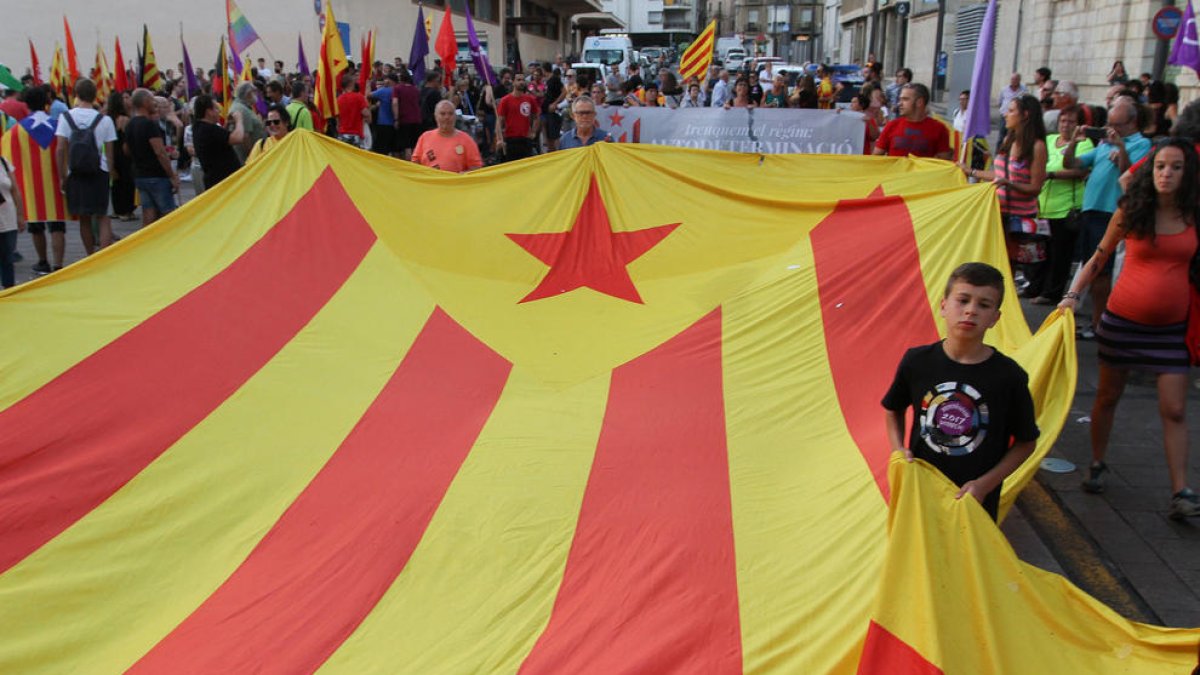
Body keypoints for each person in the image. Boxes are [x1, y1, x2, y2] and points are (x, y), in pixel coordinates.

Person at [1058, 138, 1200, 519]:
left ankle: (1181, 491)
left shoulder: (1193, 215)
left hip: (1172, 331)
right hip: (1123, 324)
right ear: (1149, 171)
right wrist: (1072, 295)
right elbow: (1099, 257)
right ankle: (1097, 463)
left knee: (1174, 408)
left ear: (1188, 174)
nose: (1166, 174)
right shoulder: (1130, 211)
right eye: (1160, 166)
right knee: (1108, 397)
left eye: (1176, 167)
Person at [883, 262, 1040, 522]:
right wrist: (899, 449)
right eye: (963, 300)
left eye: (984, 305)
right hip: (921, 493)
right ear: (944, 306)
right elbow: (893, 409)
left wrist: (985, 485)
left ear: (995, 318)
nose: (970, 311)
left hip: (973, 502)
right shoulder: (917, 362)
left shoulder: (1009, 377)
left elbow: (1026, 442)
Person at [1062, 99, 1152, 339]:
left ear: (1132, 122)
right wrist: (1074, 141)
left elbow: (1131, 176)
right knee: (1090, 266)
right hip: (1091, 211)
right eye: (1108, 124)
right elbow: (1071, 163)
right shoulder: (1103, 144)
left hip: (1111, 213)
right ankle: (1096, 322)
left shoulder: (1142, 144)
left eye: (1116, 125)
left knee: (1102, 272)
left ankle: (1099, 324)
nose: (1111, 129)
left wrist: (1121, 149)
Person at [961, 94, 1047, 276]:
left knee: (1010, 266)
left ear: (1025, 115)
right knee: (993, 263)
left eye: (1011, 110)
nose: (1005, 114)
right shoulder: (1009, 140)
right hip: (997, 213)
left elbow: (1035, 187)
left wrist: (1009, 184)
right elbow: (999, 175)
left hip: (1019, 220)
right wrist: (971, 172)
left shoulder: (1037, 147)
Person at [1029, 104, 1092, 305]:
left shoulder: (1085, 144)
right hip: (1043, 205)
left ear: (1079, 125)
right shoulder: (1048, 140)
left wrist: (1050, 174)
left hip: (1066, 208)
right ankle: (1034, 287)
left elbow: (1081, 171)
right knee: (1039, 251)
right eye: (1063, 121)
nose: (1065, 125)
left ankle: (1051, 293)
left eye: (1071, 122)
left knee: (1060, 254)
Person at [55, 78, 117, 252]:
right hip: (100, 170)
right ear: (95, 95)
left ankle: (90, 254)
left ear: (76, 94)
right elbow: (110, 152)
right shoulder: (105, 120)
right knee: (103, 216)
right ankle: (104, 256)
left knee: (84, 218)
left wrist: (62, 176)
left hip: (75, 171)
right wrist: (111, 172)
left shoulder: (66, 117)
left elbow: (60, 149)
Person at [873, 83, 952, 159]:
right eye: (900, 99)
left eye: (905, 99)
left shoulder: (939, 129)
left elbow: (944, 162)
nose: (899, 104)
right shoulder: (892, 125)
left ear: (919, 102)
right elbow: (875, 157)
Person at [411, 100, 482, 173]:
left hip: (455, 180)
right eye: (442, 114)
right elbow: (415, 163)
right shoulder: (425, 137)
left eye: (450, 114)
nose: (447, 117)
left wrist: (463, 175)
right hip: (429, 180)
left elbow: (476, 167)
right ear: (436, 116)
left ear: (455, 117)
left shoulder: (466, 140)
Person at [495, 73, 540, 162]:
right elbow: (499, 121)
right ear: (513, 82)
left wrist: (534, 132)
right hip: (510, 140)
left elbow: (536, 117)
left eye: (523, 80)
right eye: (518, 80)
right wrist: (499, 139)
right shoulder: (505, 100)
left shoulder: (530, 99)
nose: (521, 82)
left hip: (525, 140)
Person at [0, 152, 27, 288]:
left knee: (7, 258)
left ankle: (8, 290)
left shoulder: (3, 162)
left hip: (8, 218)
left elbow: (15, 190)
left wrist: (20, 215)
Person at [230, 82, 265, 162]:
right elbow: (245, 137)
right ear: (248, 94)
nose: (256, 95)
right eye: (254, 92)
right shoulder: (242, 110)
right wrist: (252, 155)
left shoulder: (243, 107)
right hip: (249, 158)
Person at [393, 71, 423, 161]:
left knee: (407, 146)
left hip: (405, 119)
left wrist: (396, 119)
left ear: (400, 78)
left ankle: (409, 164)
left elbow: (395, 103)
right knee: (415, 145)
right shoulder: (416, 89)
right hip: (417, 119)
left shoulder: (397, 88)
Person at [335, 75, 370, 147]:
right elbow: (366, 113)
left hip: (343, 133)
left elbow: (337, 118)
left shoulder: (339, 99)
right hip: (356, 134)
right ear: (351, 84)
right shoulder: (359, 97)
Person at [369, 73, 398, 155]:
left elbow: (368, 95)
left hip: (383, 123)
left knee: (381, 148)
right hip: (396, 123)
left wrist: (367, 84)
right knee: (393, 148)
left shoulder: (384, 91)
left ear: (389, 81)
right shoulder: (398, 90)